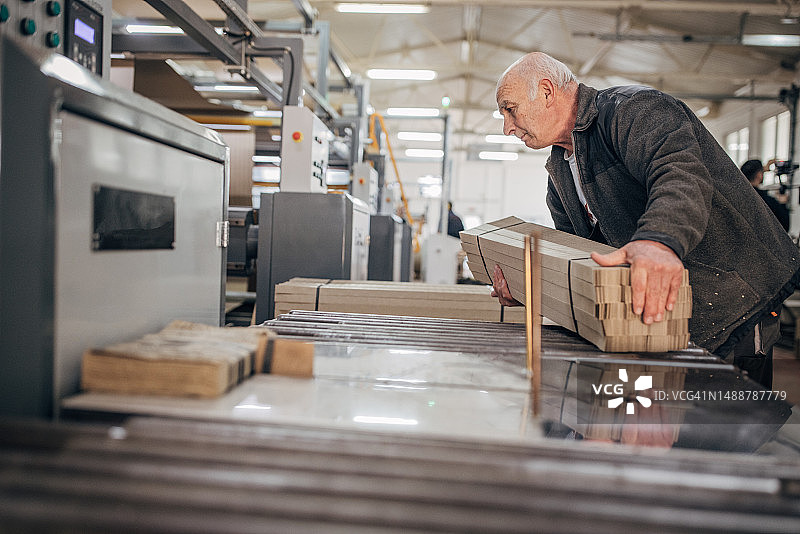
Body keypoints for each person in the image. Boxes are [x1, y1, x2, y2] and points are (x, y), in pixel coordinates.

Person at [491, 52, 800, 388]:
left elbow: (680, 176)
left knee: (727, 425)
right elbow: (580, 256)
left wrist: (657, 240)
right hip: (667, 316)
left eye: (510, 109)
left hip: (732, 299)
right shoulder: (561, 173)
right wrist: (533, 287)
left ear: (548, 92)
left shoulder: (634, 110)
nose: (507, 127)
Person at [740, 159, 790, 231]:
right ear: (759, 175)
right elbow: (784, 227)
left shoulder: (738, 195)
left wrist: (762, 169)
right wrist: (782, 204)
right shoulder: (766, 200)